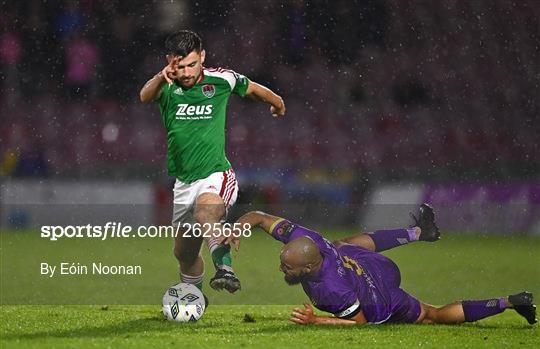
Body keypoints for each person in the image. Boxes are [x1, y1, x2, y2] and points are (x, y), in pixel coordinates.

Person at [140, 30, 285, 293]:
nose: (185, 72)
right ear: (170, 61)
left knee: (205, 213)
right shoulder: (166, 86)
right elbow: (144, 96)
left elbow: (251, 88)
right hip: (183, 183)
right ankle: (192, 296)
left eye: (192, 65)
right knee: (184, 254)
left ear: (202, 57)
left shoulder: (221, 79)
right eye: (180, 66)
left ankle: (226, 269)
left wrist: (277, 102)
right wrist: (161, 77)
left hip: (216, 175)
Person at [234, 204, 537, 325]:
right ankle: (419, 233)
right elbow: (259, 217)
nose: (280, 270)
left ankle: (508, 303)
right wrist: (236, 230)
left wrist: (316, 321)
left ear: (308, 269)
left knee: (432, 315)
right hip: (371, 265)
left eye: (287, 269)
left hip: (378, 299)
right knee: (340, 245)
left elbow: (359, 323)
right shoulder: (307, 239)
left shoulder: (329, 290)